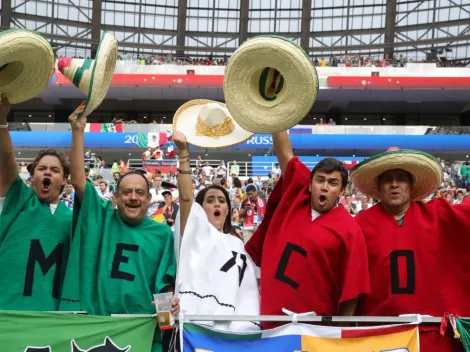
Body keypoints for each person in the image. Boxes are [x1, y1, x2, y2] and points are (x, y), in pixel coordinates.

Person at [60, 102, 178, 352]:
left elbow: (165, 286)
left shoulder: (162, 234)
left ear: (149, 199)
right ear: (115, 198)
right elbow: (79, 181)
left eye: (139, 192)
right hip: (97, 326)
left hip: (141, 329)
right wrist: (78, 131)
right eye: (126, 192)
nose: (133, 197)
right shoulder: (102, 218)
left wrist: (167, 321)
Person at [245, 130, 370, 329]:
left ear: (342, 191)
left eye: (333, 183)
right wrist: (274, 110)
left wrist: (340, 335)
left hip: (317, 331)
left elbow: (352, 292)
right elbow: (284, 152)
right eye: (320, 180)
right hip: (272, 324)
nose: (325, 187)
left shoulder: (350, 230)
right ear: (310, 185)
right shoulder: (296, 197)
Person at [350, 148, 470, 352]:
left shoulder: (439, 215)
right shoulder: (358, 226)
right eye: (387, 179)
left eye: (401, 178)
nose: (394, 184)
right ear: (379, 187)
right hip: (378, 335)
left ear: (411, 185)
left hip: (434, 335)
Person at [173, 131, 260, 332]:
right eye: (210, 200)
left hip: (233, 330)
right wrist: (184, 154)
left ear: (228, 209)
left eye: (221, 200)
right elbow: (186, 198)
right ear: (199, 210)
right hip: (195, 325)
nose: (216, 204)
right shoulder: (194, 233)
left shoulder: (237, 243)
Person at [0, 95, 72, 310]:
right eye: (41, 169)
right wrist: (2, 122)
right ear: (32, 178)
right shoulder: (18, 200)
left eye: (54, 170)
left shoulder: (73, 219)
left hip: (50, 317)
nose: (47, 172)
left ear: (64, 181)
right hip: (7, 310)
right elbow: (5, 161)